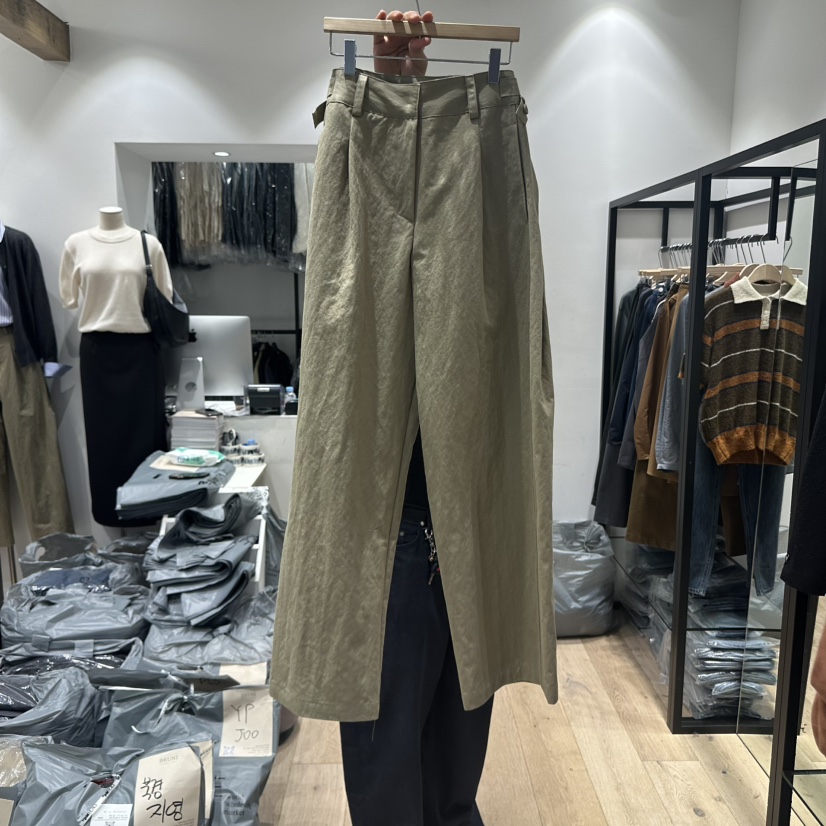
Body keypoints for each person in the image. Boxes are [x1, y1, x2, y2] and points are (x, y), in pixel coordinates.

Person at [337, 10, 495, 826]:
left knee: (453, 762)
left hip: (459, 528)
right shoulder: (362, 235)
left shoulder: (481, 210)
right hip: (393, 537)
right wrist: (388, 88)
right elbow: (376, 207)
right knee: (393, 763)